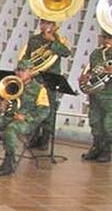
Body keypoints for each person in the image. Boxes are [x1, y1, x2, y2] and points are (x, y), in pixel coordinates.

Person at [0, 58, 50, 176]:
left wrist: (26, 117)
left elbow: (44, 111)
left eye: (23, 70)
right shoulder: (11, 83)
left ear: (31, 72)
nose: (19, 73)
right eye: (18, 70)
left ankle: (9, 162)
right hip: (8, 117)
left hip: (26, 122)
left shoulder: (39, 89)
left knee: (10, 130)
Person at [19, 18, 72, 149]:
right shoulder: (34, 39)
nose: (44, 26)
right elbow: (26, 57)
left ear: (54, 26)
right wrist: (26, 70)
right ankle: (34, 137)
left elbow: (66, 53)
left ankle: (45, 139)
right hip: (35, 79)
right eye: (42, 23)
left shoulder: (59, 40)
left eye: (48, 23)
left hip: (50, 79)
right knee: (33, 107)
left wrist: (52, 41)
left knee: (49, 110)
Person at [80, 31, 112, 162]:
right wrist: (86, 77)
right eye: (104, 37)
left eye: (109, 38)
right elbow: (91, 71)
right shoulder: (96, 54)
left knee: (108, 125)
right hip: (96, 95)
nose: (106, 41)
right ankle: (96, 148)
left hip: (111, 96)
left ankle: (106, 150)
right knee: (95, 123)